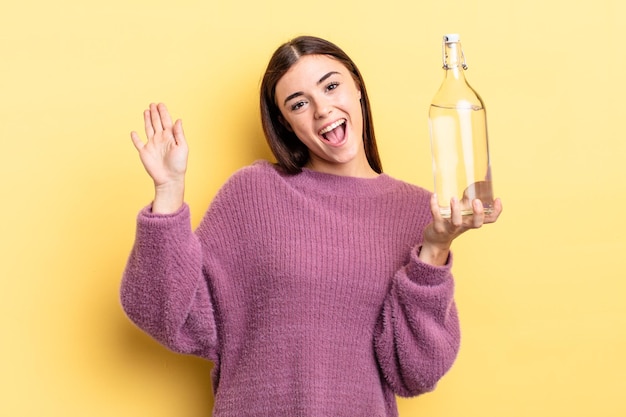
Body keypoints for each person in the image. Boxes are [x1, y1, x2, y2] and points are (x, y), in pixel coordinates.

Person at [120, 35, 502, 417]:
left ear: (356, 87)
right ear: (286, 125)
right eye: (299, 104)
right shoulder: (253, 193)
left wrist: (434, 250)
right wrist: (168, 192)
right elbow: (167, 314)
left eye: (331, 86)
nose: (322, 109)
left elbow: (416, 373)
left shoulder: (420, 212)